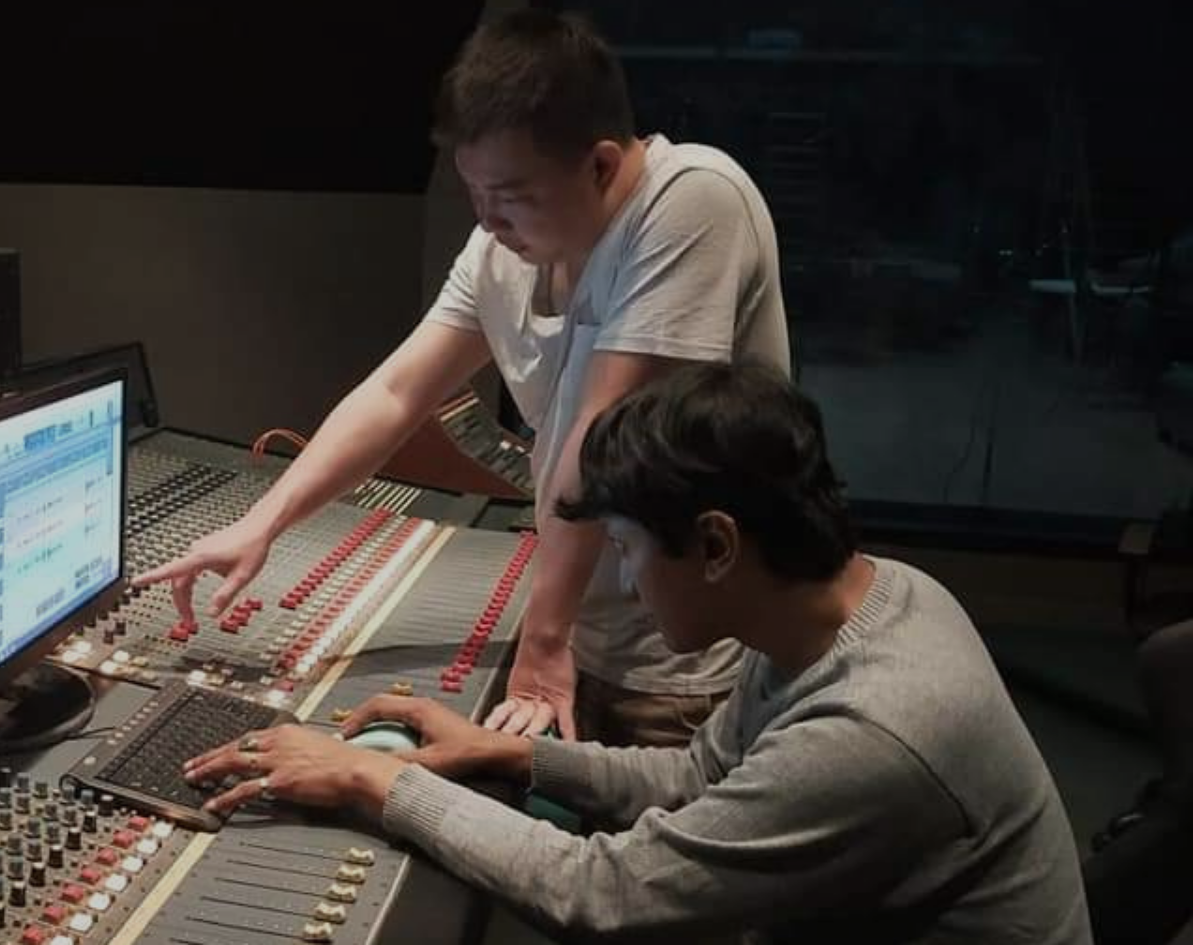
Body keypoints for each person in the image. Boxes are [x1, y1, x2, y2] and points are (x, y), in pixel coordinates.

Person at [183, 362, 1092, 944]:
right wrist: (511, 752)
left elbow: (606, 893)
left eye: (625, 548)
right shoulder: (869, 596)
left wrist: (374, 778)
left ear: (717, 544)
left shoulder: (870, 732)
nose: (620, 577)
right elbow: (702, 777)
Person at [135, 8, 790, 746]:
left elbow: (602, 431)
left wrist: (543, 639)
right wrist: (262, 522)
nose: (488, 221)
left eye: (510, 196)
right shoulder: (499, 250)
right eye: (474, 193)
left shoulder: (693, 199)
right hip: (573, 629)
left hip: (671, 668)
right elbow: (395, 395)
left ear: (602, 166)